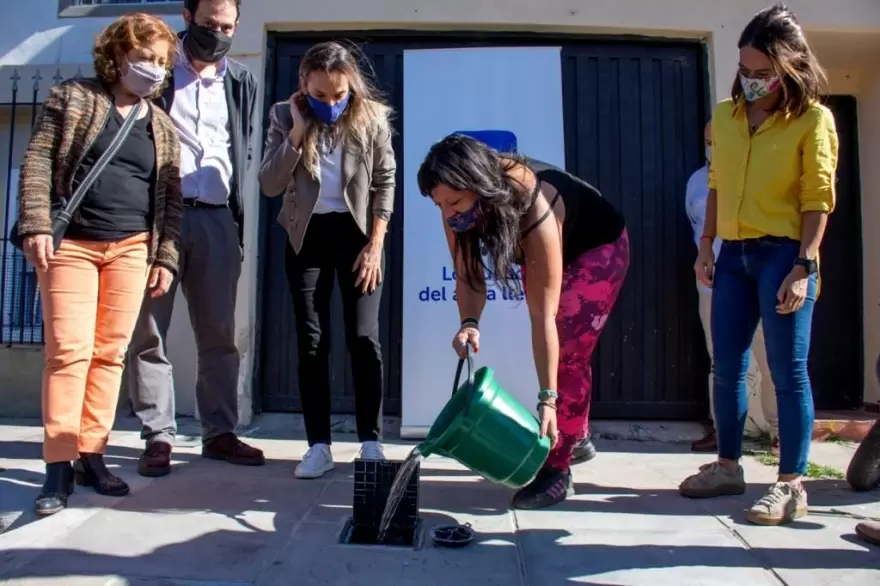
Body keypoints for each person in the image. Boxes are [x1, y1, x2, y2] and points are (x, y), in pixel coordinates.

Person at [16, 13, 183, 515]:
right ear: (116, 56)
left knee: (111, 354)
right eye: (142, 59)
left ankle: (93, 455)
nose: (152, 69)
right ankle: (57, 468)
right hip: (72, 246)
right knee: (68, 351)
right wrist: (36, 224)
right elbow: (38, 161)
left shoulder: (161, 124)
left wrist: (165, 256)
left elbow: (169, 198)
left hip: (131, 248)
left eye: (159, 61)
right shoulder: (73, 97)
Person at [679, 3, 839, 526]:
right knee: (727, 366)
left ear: (789, 68)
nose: (751, 81)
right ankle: (728, 466)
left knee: (788, 370)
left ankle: (791, 484)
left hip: (784, 256)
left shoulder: (813, 119)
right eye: (745, 71)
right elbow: (718, 182)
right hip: (733, 256)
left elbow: (819, 195)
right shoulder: (725, 117)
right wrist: (706, 246)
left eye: (763, 74)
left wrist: (803, 265)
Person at [419, 134, 629, 510]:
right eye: (439, 204)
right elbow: (467, 275)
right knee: (563, 353)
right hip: (549, 238)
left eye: (454, 202)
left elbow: (542, 314)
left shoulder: (536, 202)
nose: (448, 213)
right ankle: (574, 437)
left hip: (596, 248)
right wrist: (469, 322)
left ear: (481, 187)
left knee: (568, 352)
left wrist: (547, 399)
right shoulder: (455, 205)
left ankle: (557, 471)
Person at [127, 0, 264, 477]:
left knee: (219, 336)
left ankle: (220, 433)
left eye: (228, 26)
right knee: (149, 333)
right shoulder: (160, 71)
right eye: (209, 25)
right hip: (157, 219)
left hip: (217, 218)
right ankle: (158, 436)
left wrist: (236, 224)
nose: (219, 34)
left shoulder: (241, 80)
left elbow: (240, 148)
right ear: (186, 18)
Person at [259, 42, 396, 478]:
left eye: (340, 95)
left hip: (358, 235)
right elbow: (268, 183)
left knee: (362, 337)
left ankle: (371, 441)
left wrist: (376, 244)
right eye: (321, 95)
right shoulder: (284, 116)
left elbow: (385, 181)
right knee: (313, 341)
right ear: (304, 85)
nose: (332, 104)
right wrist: (299, 132)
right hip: (307, 235)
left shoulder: (371, 117)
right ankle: (318, 445)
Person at [686, 120, 779, 455]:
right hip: (713, 286)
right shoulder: (697, 181)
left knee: (772, 359)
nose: (712, 146)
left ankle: (779, 432)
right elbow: (697, 229)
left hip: (757, 280)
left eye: (718, 140)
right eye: (708, 140)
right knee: (722, 361)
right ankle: (723, 432)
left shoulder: (753, 174)